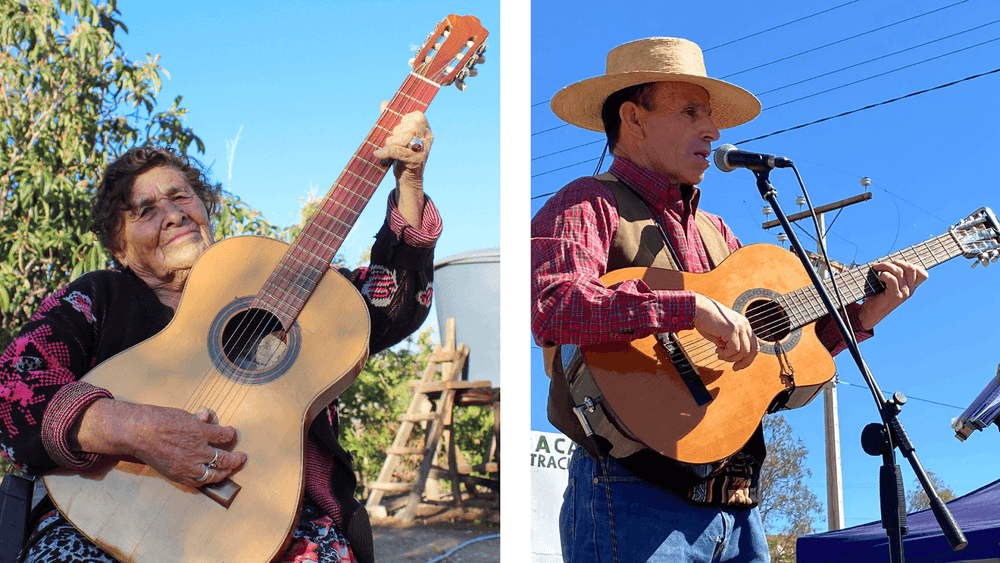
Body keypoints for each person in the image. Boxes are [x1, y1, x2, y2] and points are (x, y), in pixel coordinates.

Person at [531, 37, 928, 563]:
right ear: (633, 118)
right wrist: (686, 309)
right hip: (629, 492)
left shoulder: (718, 233)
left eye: (712, 116)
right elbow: (555, 304)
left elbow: (771, 363)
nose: (713, 131)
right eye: (690, 112)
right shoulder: (587, 201)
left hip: (738, 507)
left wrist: (856, 320)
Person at [0, 109, 440, 563]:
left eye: (181, 197)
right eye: (146, 211)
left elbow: (388, 306)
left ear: (204, 209)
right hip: (98, 519)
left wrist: (409, 184)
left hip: (279, 525)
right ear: (120, 248)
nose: (173, 215)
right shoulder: (98, 297)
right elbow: (13, 385)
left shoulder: (275, 282)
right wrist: (136, 431)